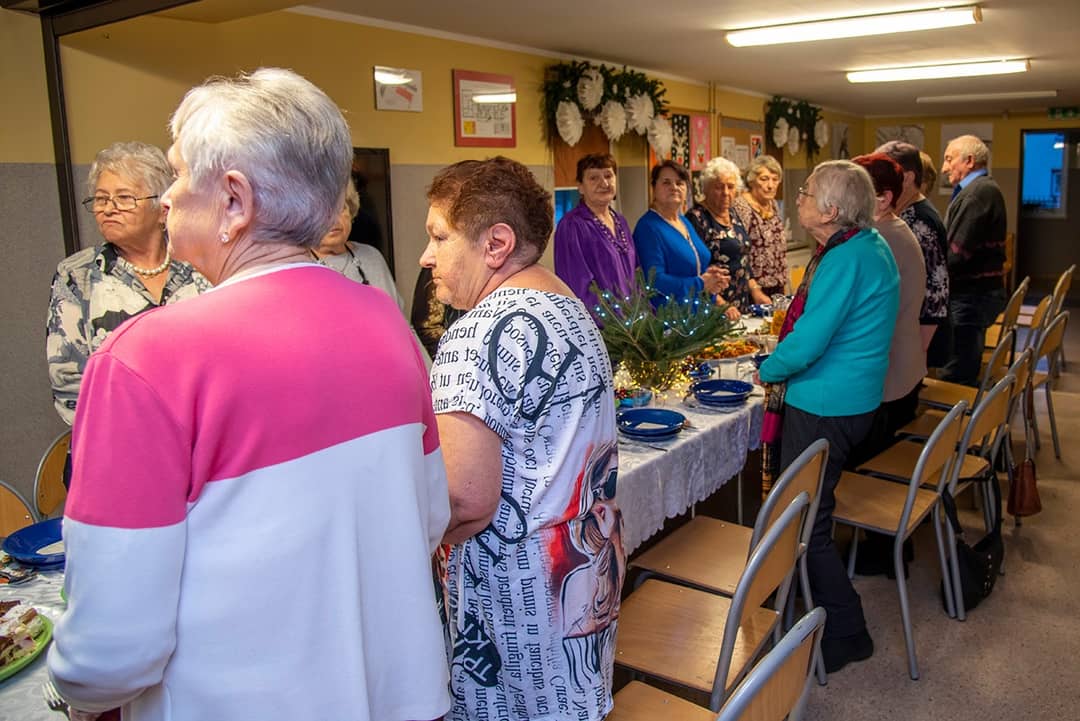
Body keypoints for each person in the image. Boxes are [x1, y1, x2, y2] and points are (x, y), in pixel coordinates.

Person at [47, 68, 450, 721]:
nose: (167, 197)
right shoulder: (385, 324)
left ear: (234, 200)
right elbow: (427, 516)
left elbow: (110, 651)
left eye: (178, 174)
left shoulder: (145, 360)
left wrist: (74, 693)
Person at [423, 156, 623, 721]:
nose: (426, 257)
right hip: (583, 574)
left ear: (496, 244)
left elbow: (464, 500)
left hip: (519, 602)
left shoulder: (476, 333)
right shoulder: (567, 305)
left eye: (439, 237)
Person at [757, 160, 899, 674]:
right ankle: (809, 600)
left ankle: (846, 629)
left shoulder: (845, 258)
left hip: (825, 405)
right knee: (814, 512)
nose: (798, 197)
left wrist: (766, 368)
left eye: (807, 191)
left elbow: (810, 342)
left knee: (805, 524)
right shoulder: (865, 245)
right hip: (851, 400)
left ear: (831, 210)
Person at [46, 141, 209, 427]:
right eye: (101, 199)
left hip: (205, 433)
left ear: (162, 208)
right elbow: (69, 385)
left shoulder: (201, 264)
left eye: (124, 198)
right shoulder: (77, 275)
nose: (108, 209)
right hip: (120, 437)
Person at [852, 153, 926, 454]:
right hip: (902, 364)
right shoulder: (893, 229)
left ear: (883, 200)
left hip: (890, 375)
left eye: (856, 192)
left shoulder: (881, 240)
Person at [941, 134, 1008, 386]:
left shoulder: (976, 194)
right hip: (976, 296)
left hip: (970, 297)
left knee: (957, 374)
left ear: (969, 161)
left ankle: (959, 411)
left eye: (949, 159)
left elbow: (956, 253)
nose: (944, 167)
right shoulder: (981, 189)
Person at [877, 141, 950, 363]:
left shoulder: (919, 219)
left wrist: (918, 349)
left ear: (907, 178)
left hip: (919, 341)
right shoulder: (907, 212)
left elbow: (936, 290)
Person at [687, 156, 771, 319]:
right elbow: (696, 268)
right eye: (719, 187)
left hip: (741, 303)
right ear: (706, 189)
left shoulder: (733, 213)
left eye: (731, 187)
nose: (726, 193)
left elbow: (743, 259)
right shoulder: (696, 218)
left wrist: (756, 291)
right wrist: (720, 303)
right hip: (713, 306)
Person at [553, 153, 638, 314]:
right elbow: (577, 286)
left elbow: (636, 275)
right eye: (593, 178)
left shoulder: (620, 221)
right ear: (580, 186)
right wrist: (614, 321)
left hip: (633, 322)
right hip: (601, 324)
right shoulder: (572, 226)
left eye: (608, 176)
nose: (604, 183)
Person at [633, 159, 728, 303]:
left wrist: (713, 278)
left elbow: (694, 266)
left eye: (679, 183)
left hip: (698, 310)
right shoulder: (648, 227)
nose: (674, 187)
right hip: (668, 313)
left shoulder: (684, 221)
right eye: (666, 182)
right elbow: (654, 281)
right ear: (653, 188)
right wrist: (700, 283)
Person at [311, 177, 406, 312]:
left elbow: (398, 317)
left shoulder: (372, 256)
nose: (334, 219)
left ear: (351, 211)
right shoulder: (298, 264)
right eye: (322, 210)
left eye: (340, 208)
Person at [733, 154, 787, 297]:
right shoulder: (741, 206)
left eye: (775, 179)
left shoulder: (773, 204)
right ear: (751, 181)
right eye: (764, 179)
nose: (770, 185)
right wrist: (754, 288)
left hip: (776, 284)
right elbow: (739, 251)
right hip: (752, 288)